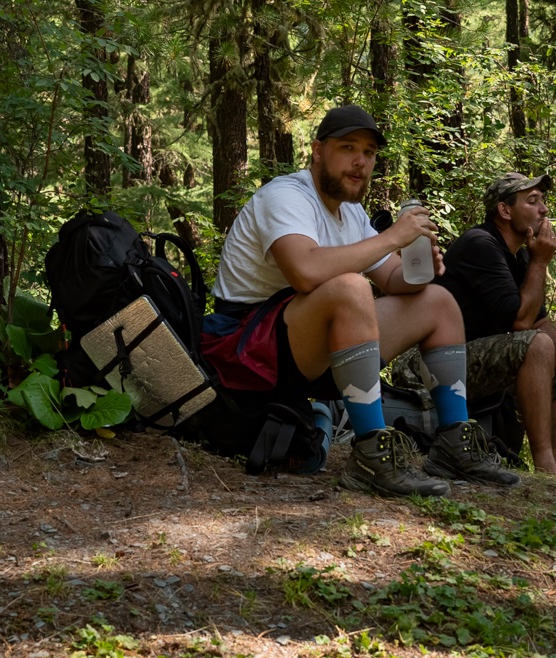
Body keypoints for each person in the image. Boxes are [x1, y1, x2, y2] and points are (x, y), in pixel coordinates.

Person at [202, 105, 519, 496]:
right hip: (246, 350)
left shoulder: (350, 213)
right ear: (318, 151)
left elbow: (390, 278)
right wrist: (391, 237)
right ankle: (372, 454)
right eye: (348, 147)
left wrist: (419, 270)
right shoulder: (285, 195)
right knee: (351, 288)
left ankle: (454, 443)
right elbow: (305, 271)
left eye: (369, 153)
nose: (360, 162)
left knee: (438, 301)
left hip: (304, 346)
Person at [434, 172, 556, 476]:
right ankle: (544, 465)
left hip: (482, 361)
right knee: (537, 344)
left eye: (543, 201)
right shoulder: (480, 244)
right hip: (443, 365)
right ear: (504, 210)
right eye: (533, 201)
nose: (544, 209)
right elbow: (522, 321)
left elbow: (539, 318)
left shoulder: (520, 256)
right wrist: (541, 262)